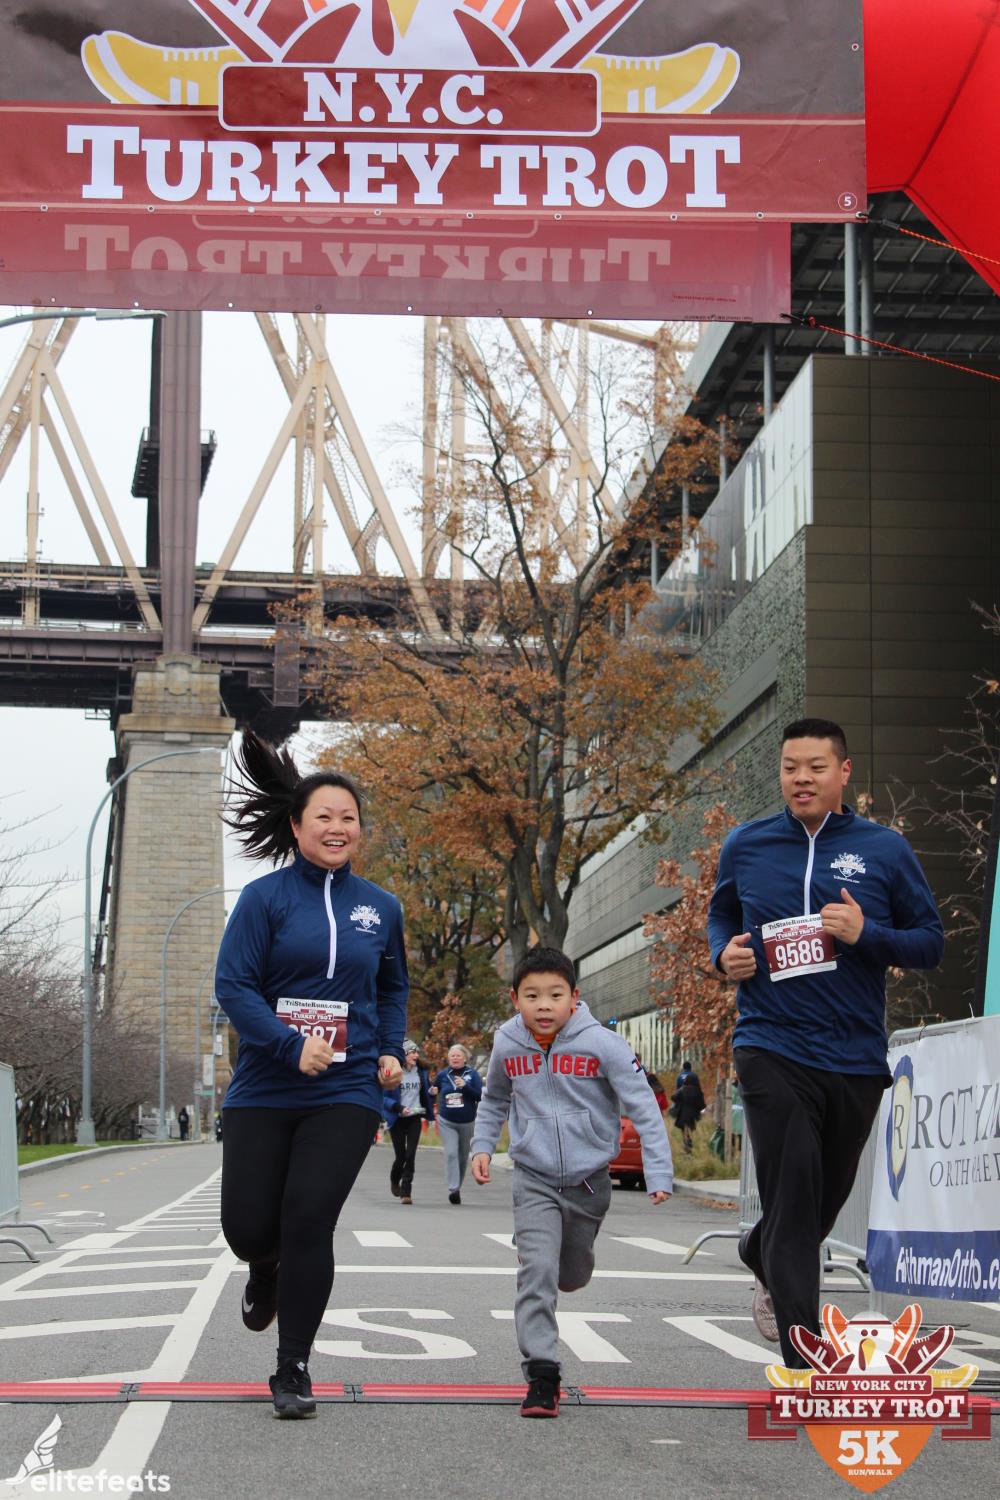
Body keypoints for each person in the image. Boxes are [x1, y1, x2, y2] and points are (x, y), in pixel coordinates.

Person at [707, 717, 943, 1369]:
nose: (801, 779)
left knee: (819, 1203)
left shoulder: (884, 850)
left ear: (844, 772)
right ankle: (805, 1360)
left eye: (815, 767)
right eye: (790, 768)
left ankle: (759, 1249)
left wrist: (868, 933)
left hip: (854, 1057)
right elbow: (722, 913)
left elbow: (929, 942)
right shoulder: (747, 844)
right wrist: (722, 954)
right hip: (770, 1044)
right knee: (795, 1193)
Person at [215, 731, 407, 1419]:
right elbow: (233, 987)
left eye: (348, 817)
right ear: (296, 826)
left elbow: (392, 987)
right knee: (248, 1230)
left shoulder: (381, 907)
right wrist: (288, 1044)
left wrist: (390, 1048)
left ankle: (292, 1365)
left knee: (309, 1219)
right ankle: (261, 1267)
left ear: (359, 829)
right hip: (266, 1085)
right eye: (323, 816)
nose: (337, 827)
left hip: (345, 1090)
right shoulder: (263, 900)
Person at [471, 945, 672, 1418]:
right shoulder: (506, 1043)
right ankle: (542, 1375)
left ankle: (566, 1257)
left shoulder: (603, 1043)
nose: (544, 1006)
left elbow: (643, 1106)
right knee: (537, 1270)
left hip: (589, 1182)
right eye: (532, 996)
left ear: (574, 997)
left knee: (571, 1275)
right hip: (533, 1177)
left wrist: (659, 1170)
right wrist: (482, 1146)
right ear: (515, 998)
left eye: (555, 995)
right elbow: (494, 1099)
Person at [382, 1041, 434, 1204]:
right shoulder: (394, 1071)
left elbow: (426, 1093)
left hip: (414, 1117)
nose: (416, 1055)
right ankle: (394, 1180)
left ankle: (406, 1192)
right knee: (401, 1156)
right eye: (412, 1052)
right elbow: (383, 1098)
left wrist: (432, 1093)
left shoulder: (421, 1071)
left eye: (417, 1052)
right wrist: (398, 1107)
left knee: (410, 1155)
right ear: (403, 1054)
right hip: (397, 1118)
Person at [433, 1043, 483, 1204]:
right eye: (452, 1056)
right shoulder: (443, 1075)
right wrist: (432, 1092)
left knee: (462, 1157)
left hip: (467, 1121)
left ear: (464, 1058)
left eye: (458, 1055)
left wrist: (466, 1087)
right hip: (446, 1120)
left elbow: (479, 1096)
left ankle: (457, 1188)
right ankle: (453, 1188)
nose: (455, 1058)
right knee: (451, 1153)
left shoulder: (472, 1075)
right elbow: (433, 1089)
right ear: (449, 1059)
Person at [670, 1070, 705, 1154]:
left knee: (684, 1130)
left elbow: (673, 1097)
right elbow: (702, 1105)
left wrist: (680, 1102)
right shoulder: (698, 1091)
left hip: (683, 1114)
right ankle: (689, 1145)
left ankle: (687, 1146)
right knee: (690, 1130)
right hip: (694, 1115)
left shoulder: (683, 1089)